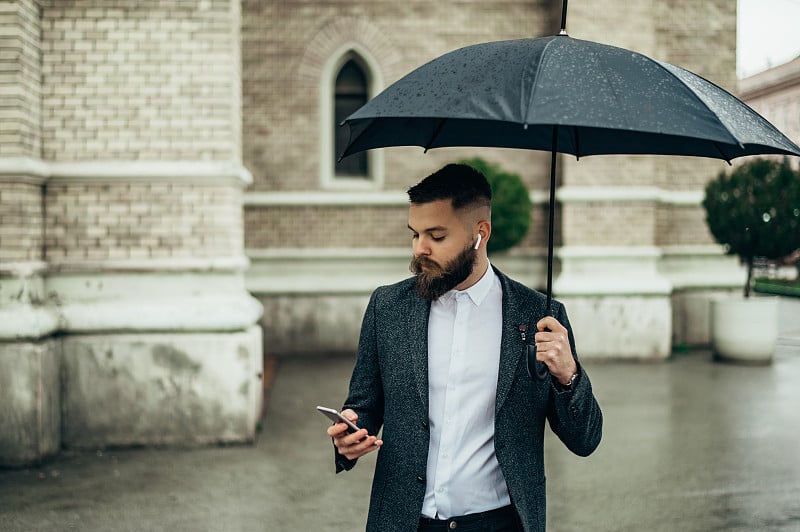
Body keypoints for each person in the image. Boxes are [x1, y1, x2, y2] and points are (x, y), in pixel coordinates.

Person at [326, 163, 602, 532]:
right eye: (415, 234)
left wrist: (568, 375)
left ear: (480, 234)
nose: (420, 249)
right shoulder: (387, 308)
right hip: (405, 522)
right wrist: (350, 435)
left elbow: (585, 439)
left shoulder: (539, 316)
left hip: (501, 523)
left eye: (436, 237)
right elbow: (363, 405)